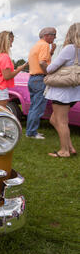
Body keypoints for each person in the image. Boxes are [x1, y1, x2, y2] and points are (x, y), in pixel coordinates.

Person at [46, 23, 80, 158]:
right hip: (74, 92)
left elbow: (51, 69)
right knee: (54, 119)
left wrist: (45, 65)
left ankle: (64, 151)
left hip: (62, 92)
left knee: (61, 121)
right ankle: (69, 147)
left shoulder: (70, 48)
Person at [26, 27, 57, 139]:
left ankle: (30, 131)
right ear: (47, 35)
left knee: (34, 106)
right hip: (40, 79)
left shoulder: (36, 45)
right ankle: (32, 133)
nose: (55, 37)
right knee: (38, 107)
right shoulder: (44, 45)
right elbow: (42, 62)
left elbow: (42, 59)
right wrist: (49, 74)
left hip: (33, 79)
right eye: (54, 34)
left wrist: (52, 51)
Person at [0, 31, 28, 108]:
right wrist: (19, 69)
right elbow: (7, 76)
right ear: (5, 42)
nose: (11, 45)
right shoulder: (4, 56)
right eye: (11, 42)